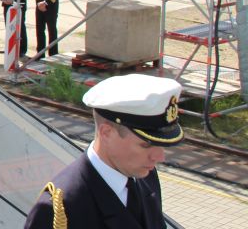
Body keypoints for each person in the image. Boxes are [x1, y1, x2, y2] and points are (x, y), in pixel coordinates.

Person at [25, 74, 183, 229]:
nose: (160, 157)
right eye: (146, 145)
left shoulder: (145, 177)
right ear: (107, 133)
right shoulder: (61, 209)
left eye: (161, 145)